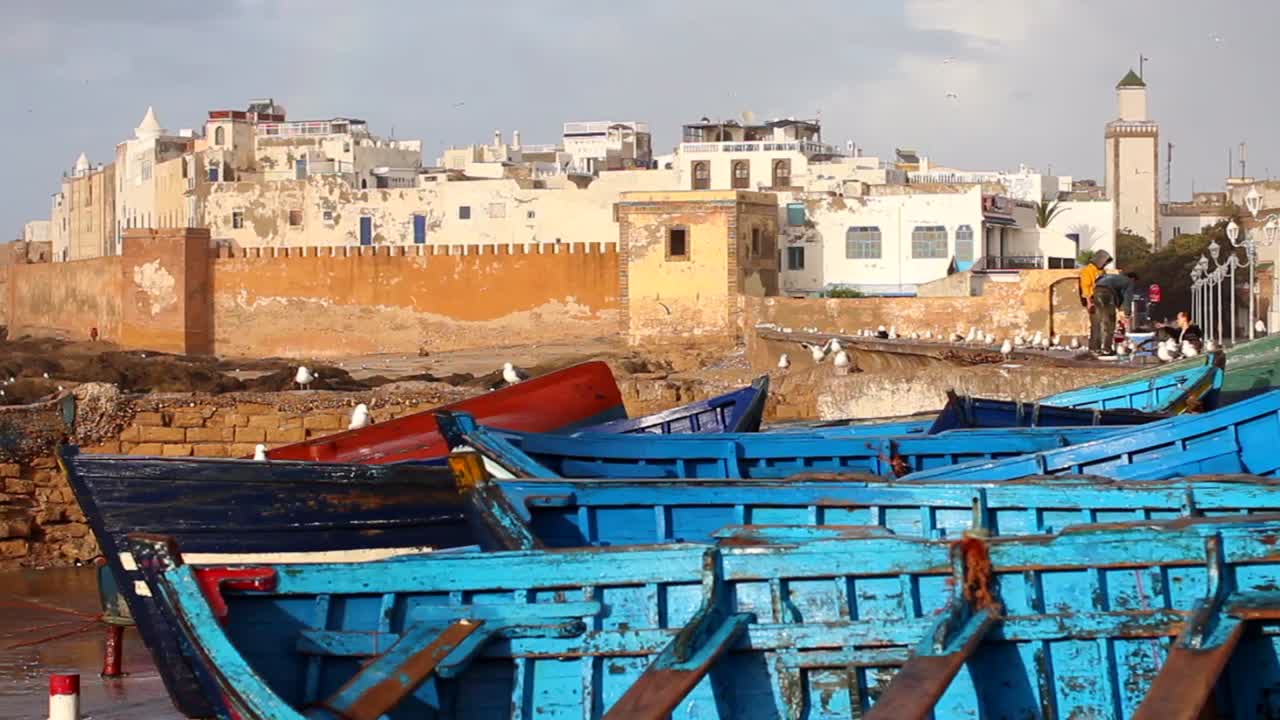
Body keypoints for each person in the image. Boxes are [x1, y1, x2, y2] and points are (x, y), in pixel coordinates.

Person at [1091, 270, 1138, 356]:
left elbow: (1119, 297)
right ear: (1133, 278)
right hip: (1107, 294)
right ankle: (1106, 349)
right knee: (1110, 323)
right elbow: (1127, 298)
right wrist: (1127, 314)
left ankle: (1095, 349)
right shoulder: (1129, 281)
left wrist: (1118, 307)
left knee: (1098, 322)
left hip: (1095, 291)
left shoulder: (1113, 277)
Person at [1079, 249, 1112, 352]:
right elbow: (1086, 288)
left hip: (1104, 299)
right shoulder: (1087, 271)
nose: (1105, 264)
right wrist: (1089, 303)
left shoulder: (1101, 271)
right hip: (1093, 300)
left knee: (1106, 324)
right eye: (1105, 261)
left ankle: (1105, 347)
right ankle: (1094, 347)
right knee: (1096, 324)